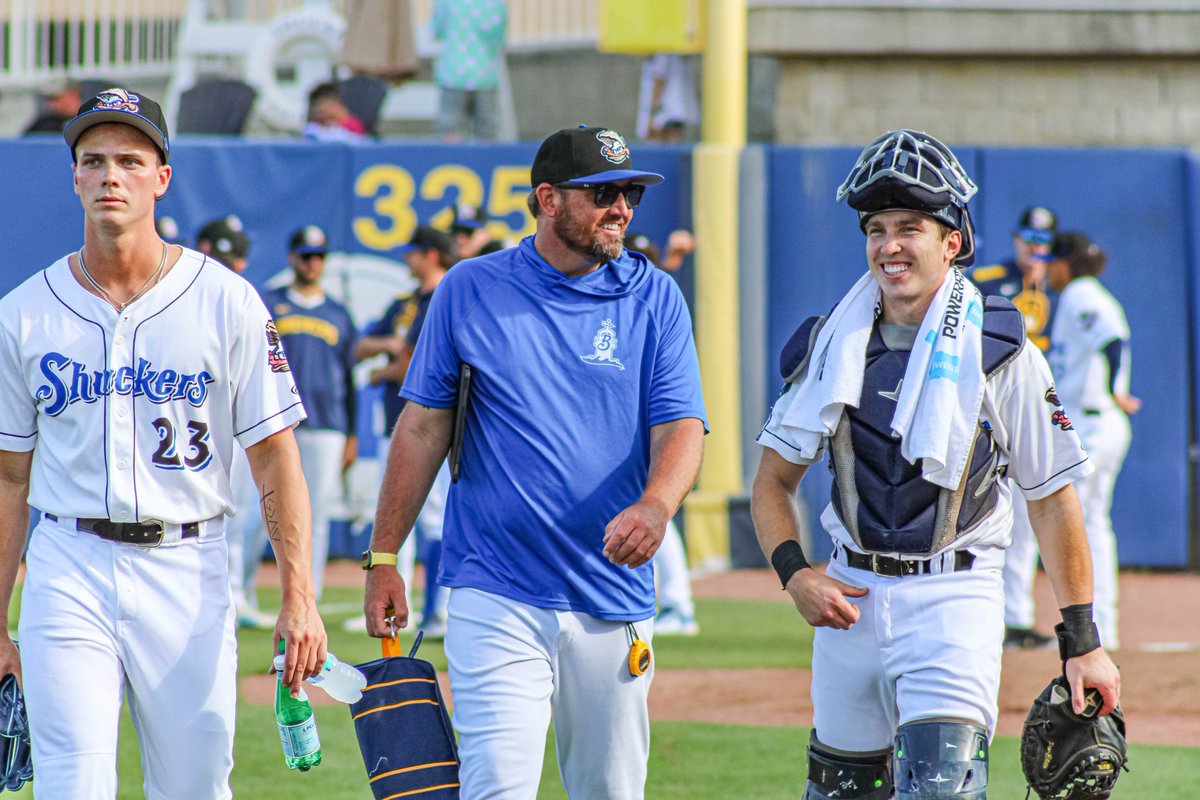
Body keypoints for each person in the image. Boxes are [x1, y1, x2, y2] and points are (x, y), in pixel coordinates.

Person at [751, 129, 1120, 800]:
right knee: (839, 792)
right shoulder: (829, 344)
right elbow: (773, 483)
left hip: (954, 597)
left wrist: (1082, 641)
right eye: (877, 230)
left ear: (951, 241)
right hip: (848, 601)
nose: (889, 246)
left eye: (909, 228)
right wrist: (794, 575)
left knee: (942, 787)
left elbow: (1052, 497)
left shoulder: (1002, 350)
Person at [0, 87, 327, 799]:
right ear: (75, 178)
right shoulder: (23, 313)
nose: (110, 175)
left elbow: (275, 456)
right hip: (69, 563)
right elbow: (7, 480)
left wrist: (299, 596)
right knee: (71, 784)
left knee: (195, 787)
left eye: (129, 159)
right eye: (93, 161)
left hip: (190, 563)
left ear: (162, 177)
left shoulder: (226, 300)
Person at [361, 125, 707, 798]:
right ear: (547, 198)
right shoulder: (468, 288)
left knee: (609, 790)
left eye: (629, 192)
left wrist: (657, 503)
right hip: (496, 589)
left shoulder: (655, 297)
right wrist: (382, 558)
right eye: (603, 193)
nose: (623, 208)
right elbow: (423, 428)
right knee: (496, 785)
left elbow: (682, 426)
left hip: (614, 590)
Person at [353, 225, 456, 637]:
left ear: (430, 254)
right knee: (399, 526)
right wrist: (390, 351)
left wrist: (385, 367)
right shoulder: (406, 301)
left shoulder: (445, 295)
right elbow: (361, 345)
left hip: (433, 426)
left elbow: (414, 362)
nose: (406, 259)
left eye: (412, 252)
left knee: (431, 520)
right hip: (396, 422)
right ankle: (405, 610)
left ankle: (437, 611)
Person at [971, 205, 1059, 648]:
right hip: (991, 414)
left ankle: (1017, 620)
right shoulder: (987, 279)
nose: (1035, 249)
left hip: (1038, 413)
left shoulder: (1061, 292)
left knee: (1029, 519)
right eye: (1029, 239)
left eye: (1043, 242)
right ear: (1016, 239)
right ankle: (993, 619)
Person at [1047, 231, 1139, 651]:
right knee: (1094, 525)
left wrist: (1118, 387)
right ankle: (1105, 629)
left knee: (1080, 525)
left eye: (1054, 260)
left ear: (1067, 263)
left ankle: (1094, 633)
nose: (1049, 268)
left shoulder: (1081, 292)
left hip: (1094, 422)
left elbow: (1112, 338)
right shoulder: (1081, 293)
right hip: (1096, 422)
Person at [259, 226, 359, 600]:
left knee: (313, 514)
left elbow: (350, 380)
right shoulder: (270, 302)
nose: (313, 263)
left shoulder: (339, 313)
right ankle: (243, 590)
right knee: (261, 511)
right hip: (278, 421)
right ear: (291, 258)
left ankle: (307, 594)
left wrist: (351, 433)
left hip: (327, 423)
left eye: (319, 256)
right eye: (306, 255)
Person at [626, 228, 700, 635]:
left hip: (667, 420)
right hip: (645, 423)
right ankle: (675, 604)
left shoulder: (659, 296)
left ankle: (678, 606)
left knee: (659, 513)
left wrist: (673, 258)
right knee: (655, 515)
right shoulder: (641, 289)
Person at [432, 0, 509, 141]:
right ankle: (485, 161)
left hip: (453, 72)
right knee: (487, 130)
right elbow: (500, 39)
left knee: (450, 128)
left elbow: (437, 31)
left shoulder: (446, 3)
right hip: (485, 74)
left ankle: (451, 160)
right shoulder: (496, 5)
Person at [636, 54, 699, 143]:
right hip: (675, 108)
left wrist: (652, 114)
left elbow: (659, 78)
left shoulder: (662, 54)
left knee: (660, 142)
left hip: (666, 111)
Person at [302, 81, 369, 142]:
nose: (316, 115)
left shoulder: (353, 126)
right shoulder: (320, 125)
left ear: (334, 105)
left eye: (321, 111)